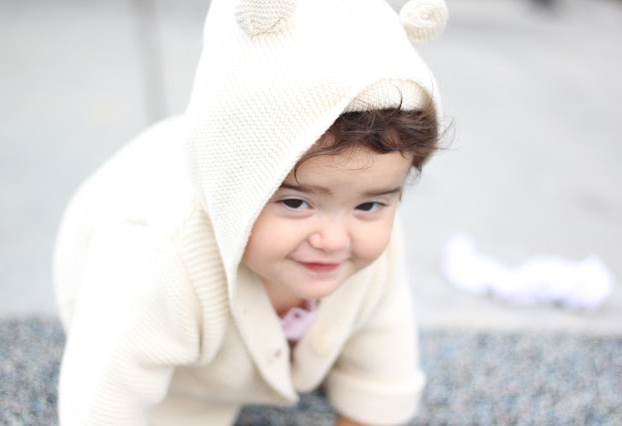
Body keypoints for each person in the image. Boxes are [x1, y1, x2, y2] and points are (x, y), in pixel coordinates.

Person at [52, 0, 449, 424]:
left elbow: (385, 357)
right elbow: (103, 397)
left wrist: (368, 410)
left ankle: (292, 343)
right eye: (295, 203)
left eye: (370, 204)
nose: (334, 240)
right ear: (230, 191)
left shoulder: (364, 231)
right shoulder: (158, 255)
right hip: (125, 321)